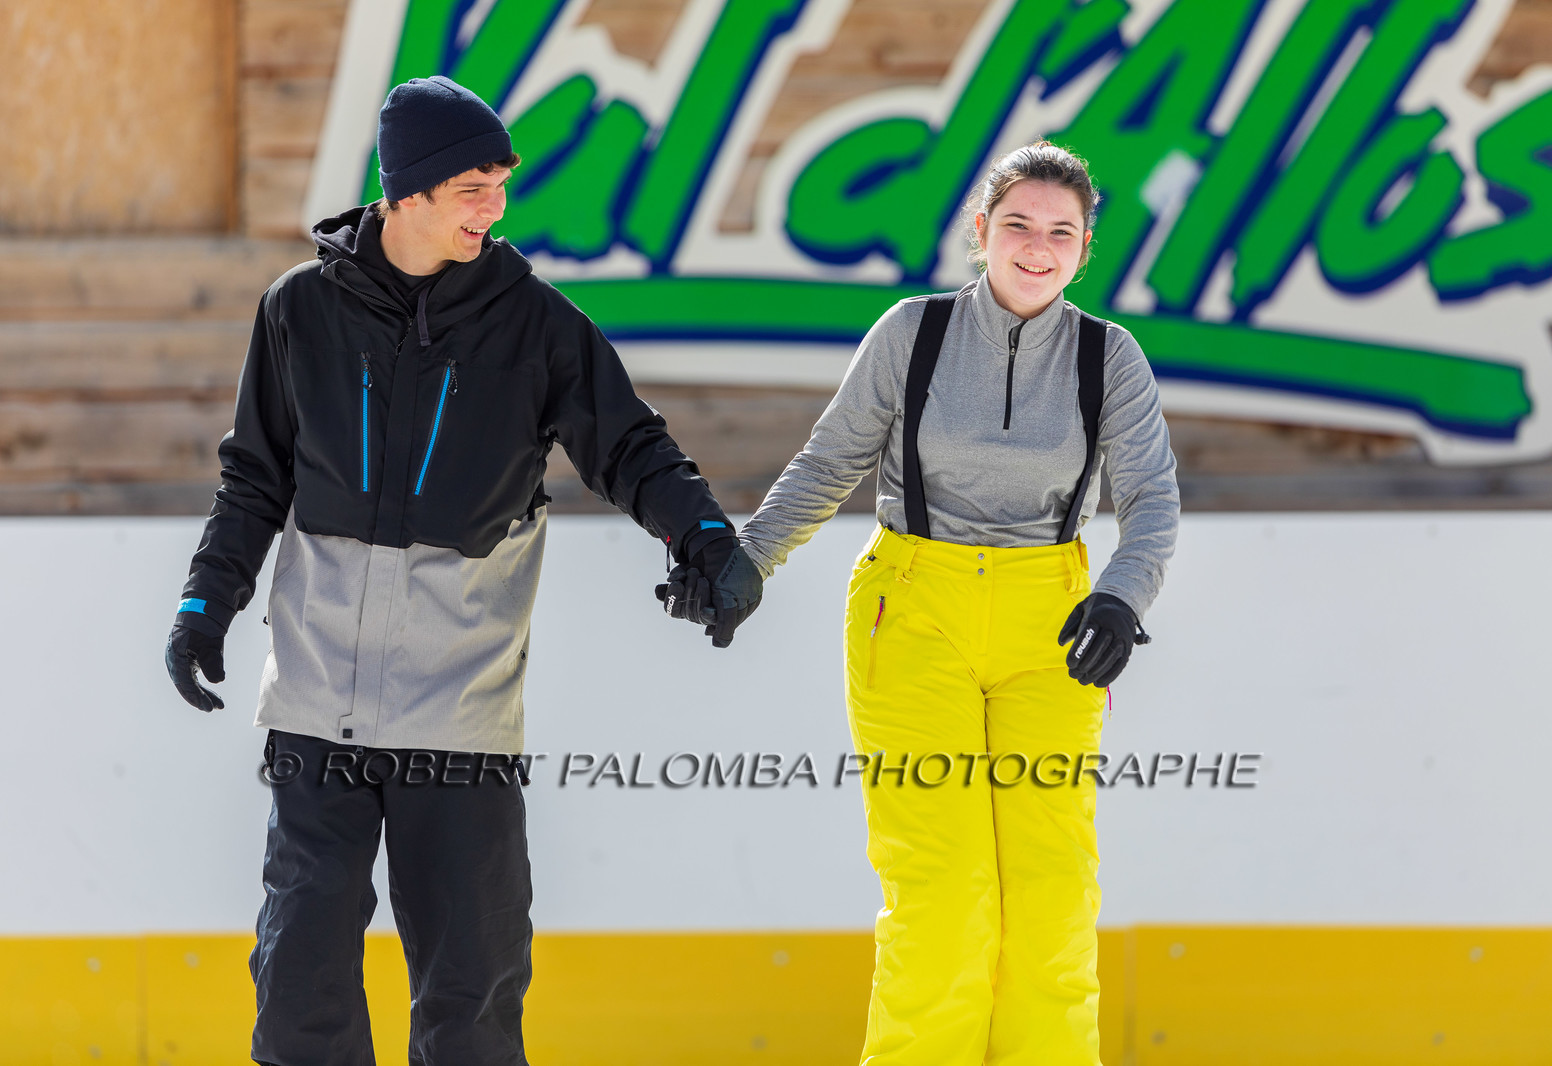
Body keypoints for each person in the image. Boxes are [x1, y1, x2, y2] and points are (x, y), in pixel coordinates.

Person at [162, 75, 761, 1065]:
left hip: (462, 713)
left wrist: (707, 540)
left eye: (500, 186)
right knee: (299, 981)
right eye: (471, 187)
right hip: (319, 709)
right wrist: (202, 603)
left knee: (472, 992)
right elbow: (253, 478)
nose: (494, 206)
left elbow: (632, 447)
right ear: (407, 194)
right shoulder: (298, 314)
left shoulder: (535, 325)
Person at [730, 141, 1180, 1064]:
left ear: (1085, 250)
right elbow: (831, 462)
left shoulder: (1110, 357)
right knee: (943, 893)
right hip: (915, 611)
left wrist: (1119, 600)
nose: (1037, 247)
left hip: (1049, 623)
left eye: (1062, 232)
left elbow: (1151, 501)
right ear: (982, 233)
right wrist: (749, 562)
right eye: (1018, 224)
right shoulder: (914, 333)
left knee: (1052, 897)